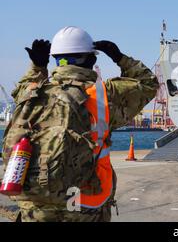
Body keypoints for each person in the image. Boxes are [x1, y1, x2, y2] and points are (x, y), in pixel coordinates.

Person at [4, 27, 159, 222]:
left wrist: (37, 67)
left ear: (55, 59)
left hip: (35, 204)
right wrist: (120, 58)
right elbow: (149, 84)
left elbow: (21, 89)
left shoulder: (32, 92)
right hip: (84, 204)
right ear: (91, 59)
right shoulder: (104, 94)